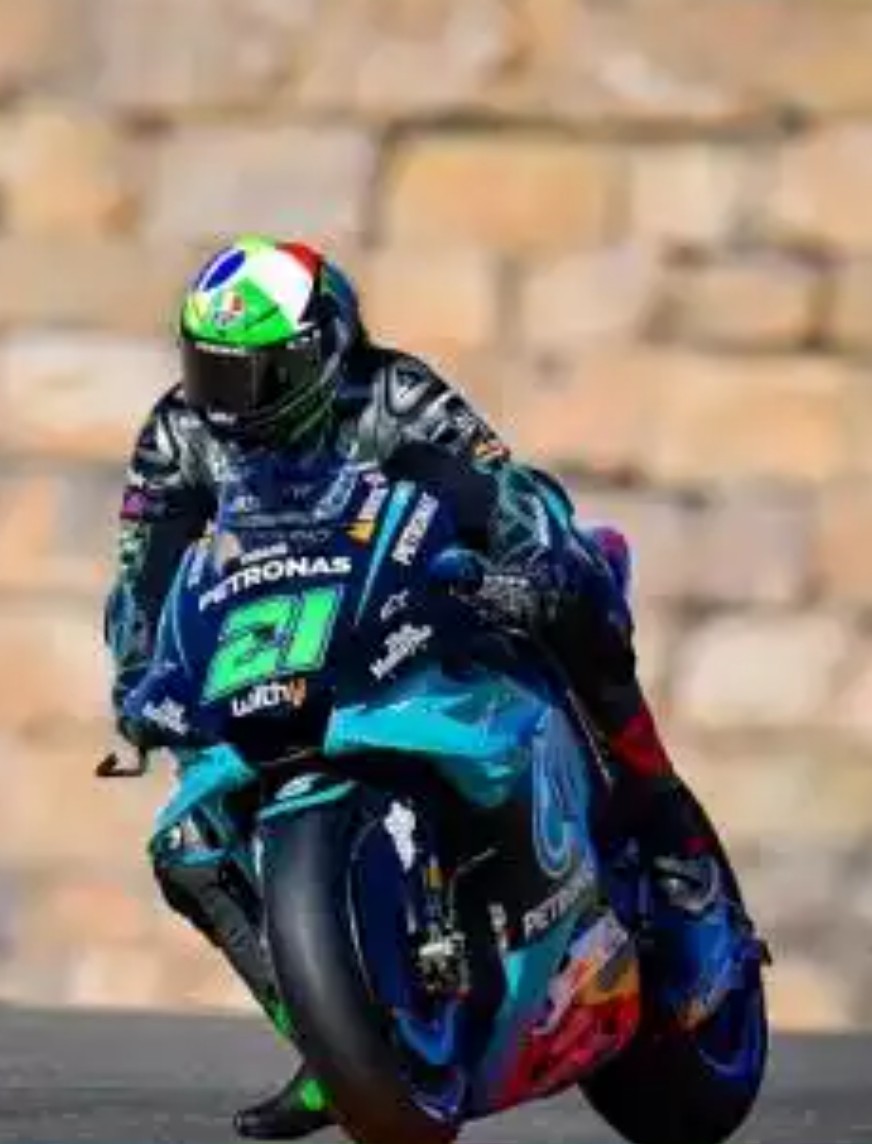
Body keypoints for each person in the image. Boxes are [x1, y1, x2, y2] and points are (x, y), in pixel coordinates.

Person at [105, 236, 717, 1140]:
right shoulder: (176, 434)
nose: (225, 398)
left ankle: (664, 834)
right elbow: (143, 577)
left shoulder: (394, 396)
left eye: (253, 373)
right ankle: (332, 1039)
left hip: (416, 610)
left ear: (317, 353)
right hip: (277, 646)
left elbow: (501, 492)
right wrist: (138, 683)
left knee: (578, 604)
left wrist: (529, 570)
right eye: (209, 370)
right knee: (187, 842)